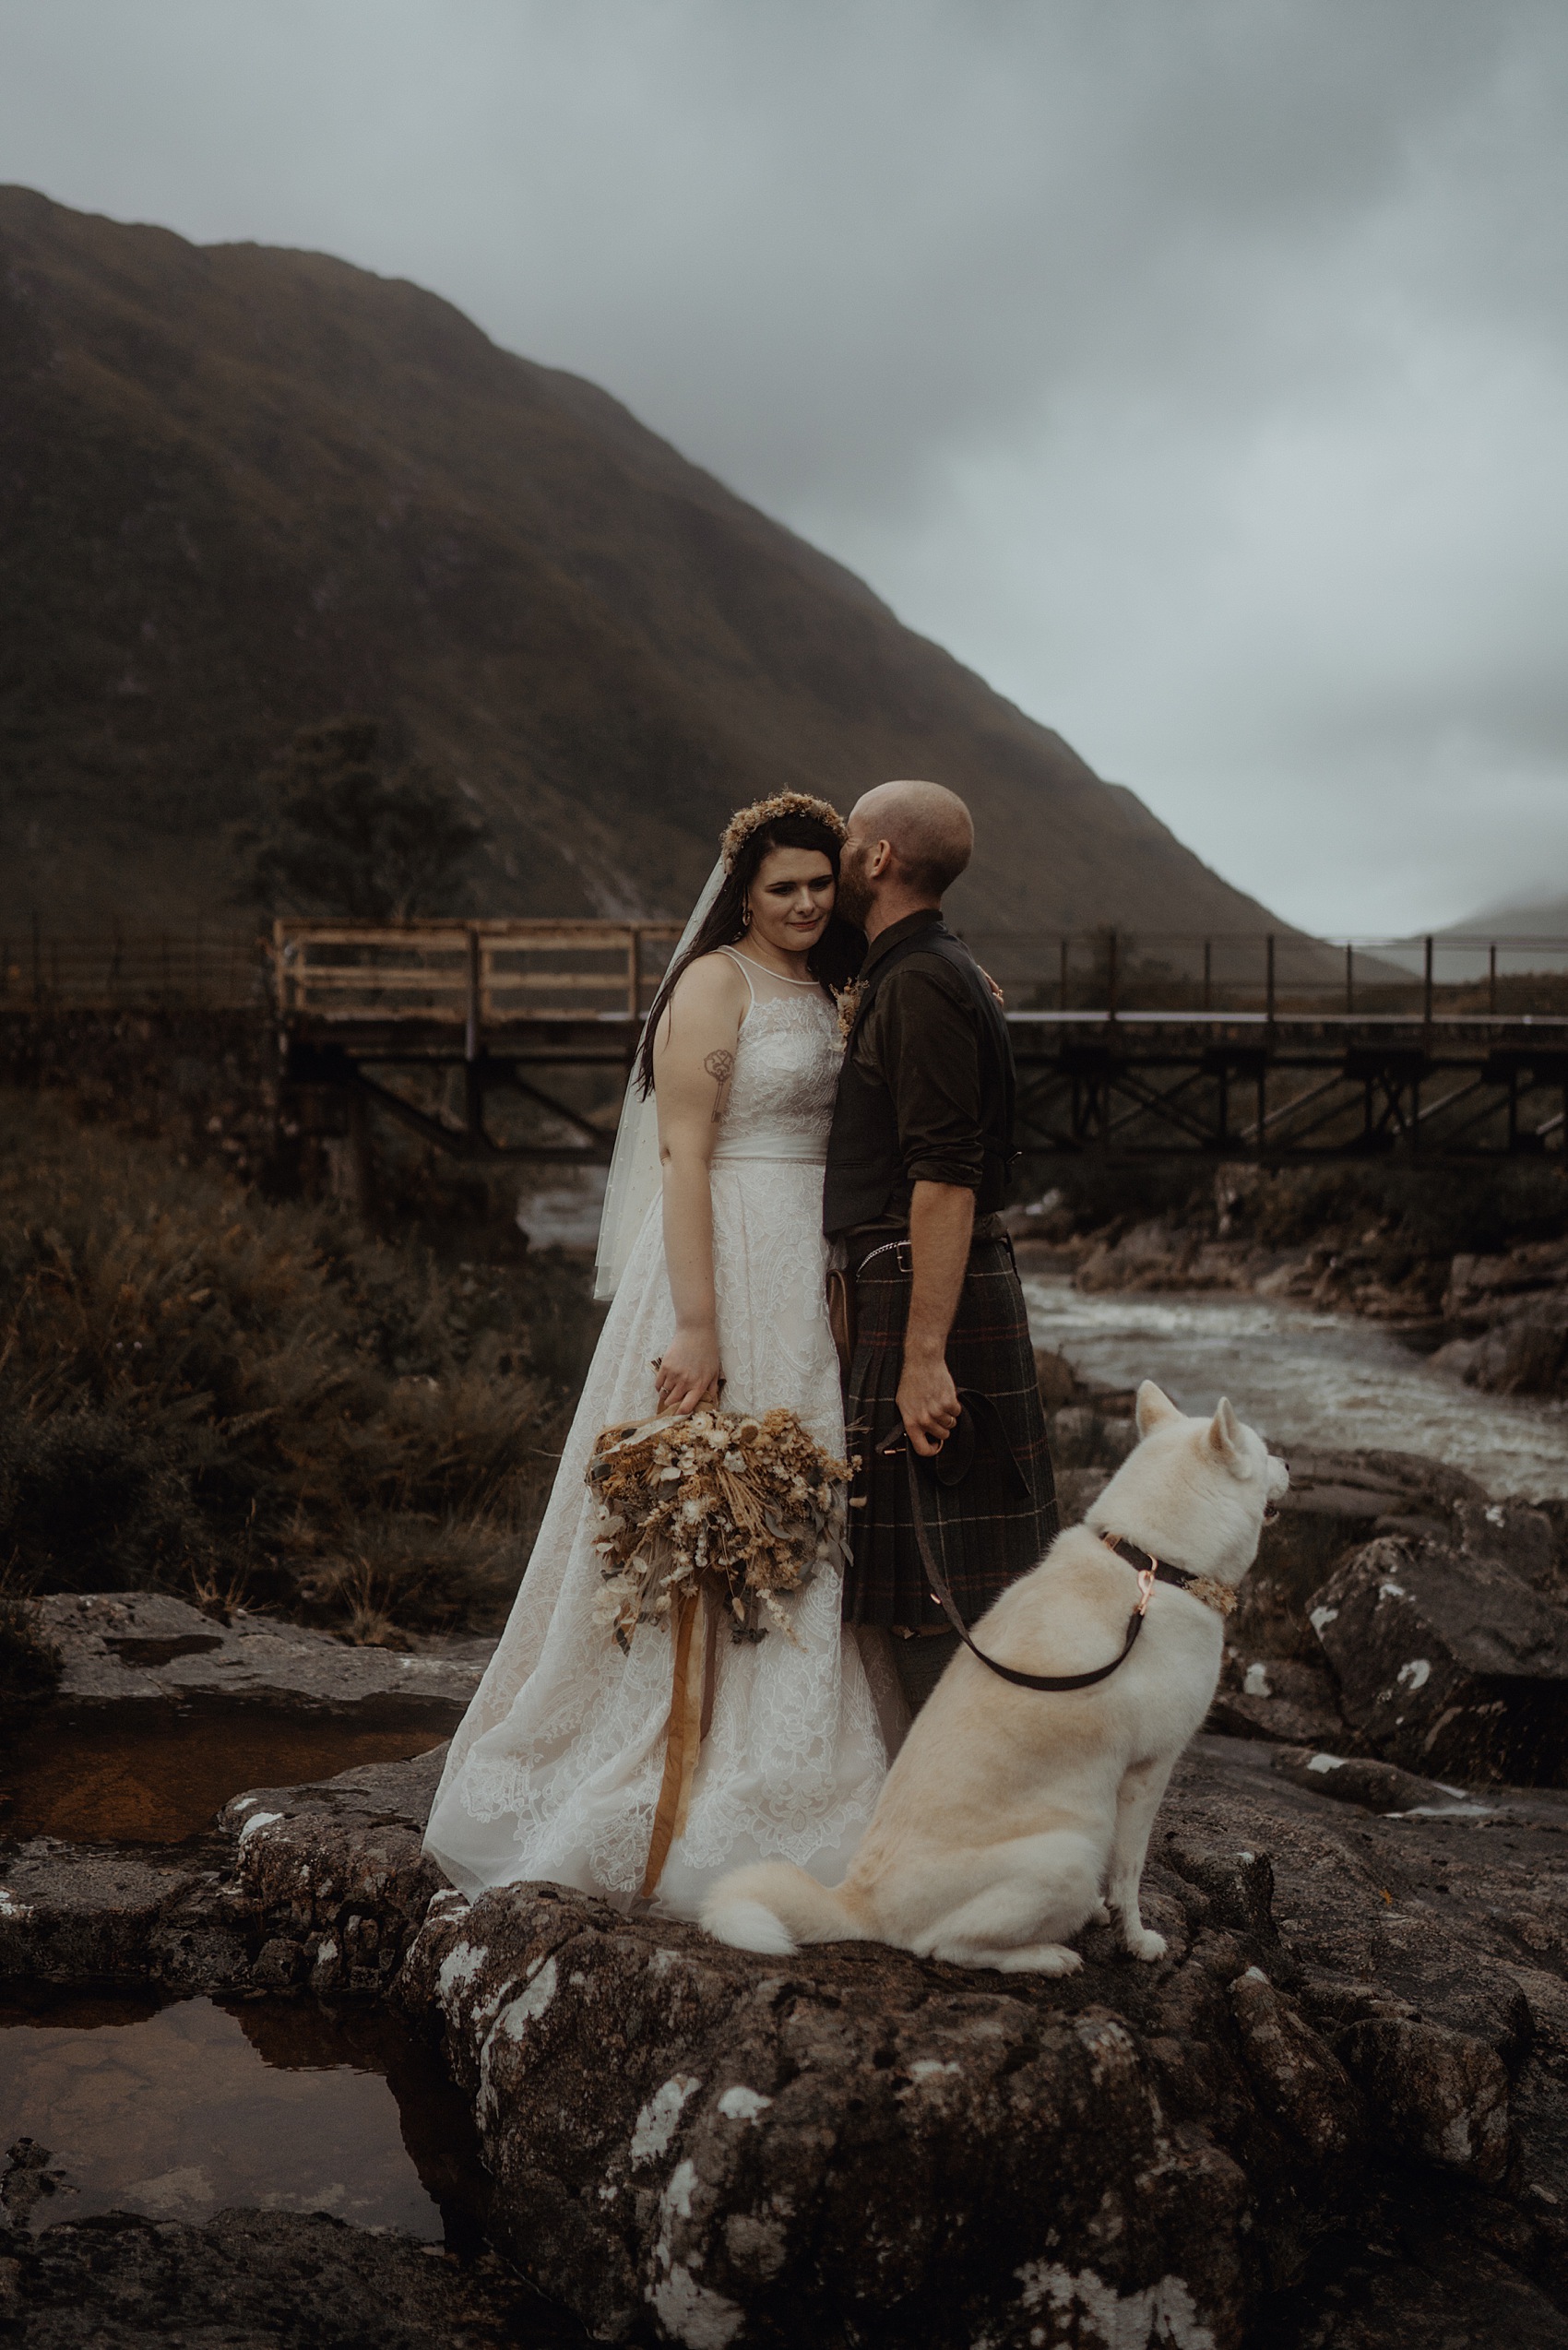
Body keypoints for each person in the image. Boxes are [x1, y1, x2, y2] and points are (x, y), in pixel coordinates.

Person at [423, 793, 900, 1917]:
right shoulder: (712, 983)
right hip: (722, 1250)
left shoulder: (828, 987)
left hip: (803, 1262)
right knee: (700, 1494)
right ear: (743, 891)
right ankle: (664, 1763)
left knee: (798, 1496)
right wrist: (697, 1322)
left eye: (816, 885)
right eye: (780, 887)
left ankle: (783, 1744)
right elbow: (685, 1159)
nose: (801, 903)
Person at [826, 778, 1058, 1714]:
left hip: (914, 1282)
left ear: (879, 857)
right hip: (922, 1278)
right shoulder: (923, 966)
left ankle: (955, 1807)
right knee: (937, 1563)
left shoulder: (921, 981)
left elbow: (944, 1175)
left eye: (849, 836)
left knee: (931, 1578)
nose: (842, 849)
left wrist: (922, 1354)